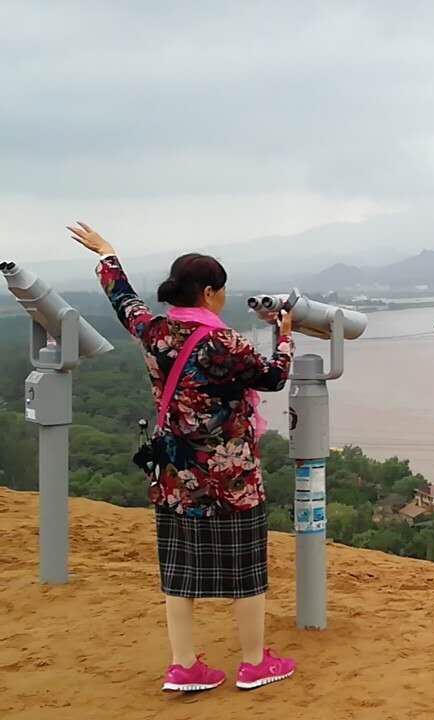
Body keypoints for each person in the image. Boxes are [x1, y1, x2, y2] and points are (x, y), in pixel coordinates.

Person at [70, 222, 298, 693]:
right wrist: (286, 336)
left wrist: (109, 256)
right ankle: (254, 663)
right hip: (231, 475)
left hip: (176, 474)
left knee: (179, 569)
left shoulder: (154, 330)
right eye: (222, 291)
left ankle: (184, 664)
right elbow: (273, 377)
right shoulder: (225, 343)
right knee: (245, 567)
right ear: (210, 292)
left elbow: (124, 301)